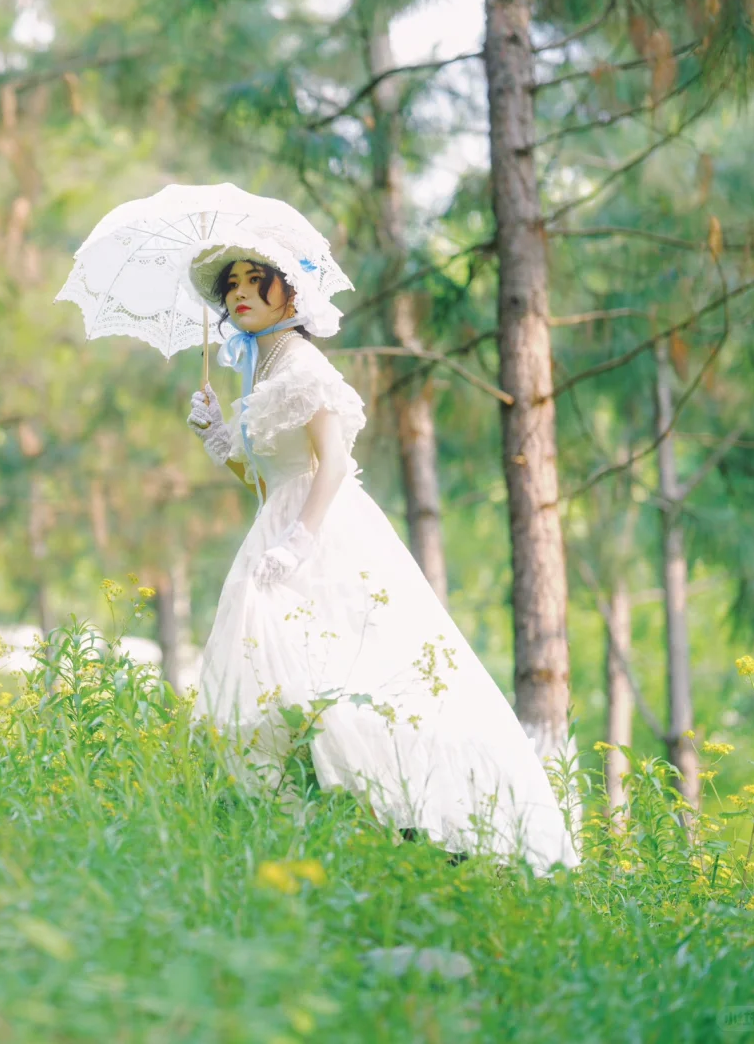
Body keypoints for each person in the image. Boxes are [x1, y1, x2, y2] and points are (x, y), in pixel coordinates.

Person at [184, 246, 581, 876]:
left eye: (253, 281)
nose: (238, 294)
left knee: (351, 671)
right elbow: (268, 481)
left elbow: (332, 463)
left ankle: (414, 822)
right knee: (272, 673)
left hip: (324, 531)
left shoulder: (304, 366)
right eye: (229, 286)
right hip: (278, 527)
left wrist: (301, 542)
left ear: (290, 293)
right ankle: (303, 831)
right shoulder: (260, 370)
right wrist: (217, 439)